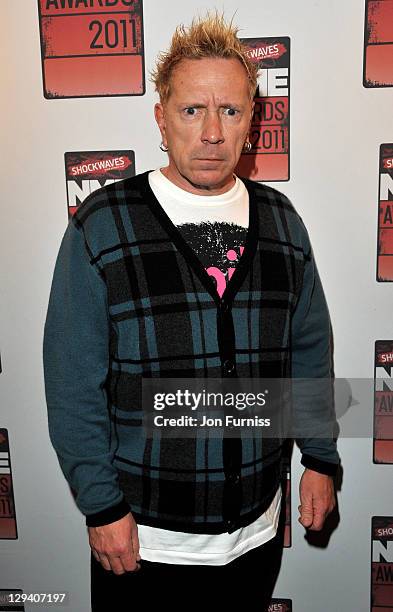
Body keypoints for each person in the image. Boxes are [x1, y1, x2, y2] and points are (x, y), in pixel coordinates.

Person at [43, 13, 340, 610]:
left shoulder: (283, 223)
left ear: (252, 120)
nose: (211, 132)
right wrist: (101, 506)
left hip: (257, 536)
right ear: (160, 116)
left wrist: (321, 457)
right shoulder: (101, 224)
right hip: (143, 543)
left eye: (230, 111)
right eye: (191, 111)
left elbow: (308, 352)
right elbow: (73, 383)